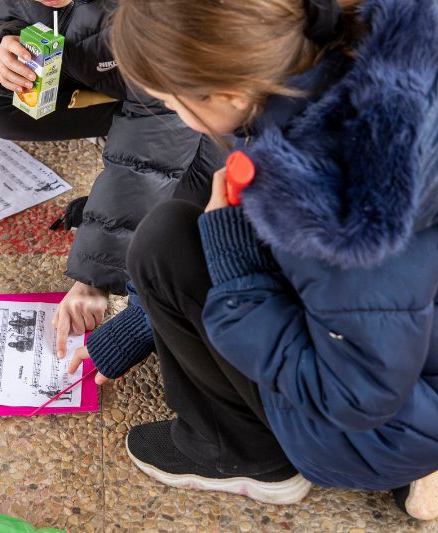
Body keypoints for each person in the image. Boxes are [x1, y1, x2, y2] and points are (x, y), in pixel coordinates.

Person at [66, 0, 438, 520]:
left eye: (171, 104)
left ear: (230, 92)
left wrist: (234, 270)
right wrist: (137, 326)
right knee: (192, 218)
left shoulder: (331, 203)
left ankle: (243, 455)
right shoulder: (334, 57)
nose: (178, 119)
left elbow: (355, 394)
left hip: (370, 426)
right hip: (409, 360)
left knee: (166, 235)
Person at [0, 0, 226, 377]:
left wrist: (95, 278)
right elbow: (13, 13)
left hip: (183, 91)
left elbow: (152, 150)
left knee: (179, 204)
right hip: (122, 72)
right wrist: (3, 47)